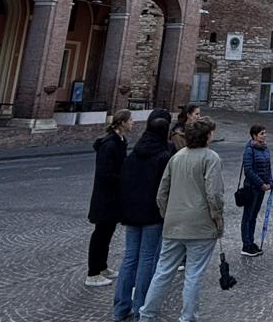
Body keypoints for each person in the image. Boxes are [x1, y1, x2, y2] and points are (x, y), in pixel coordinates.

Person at [137, 116, 224, 322]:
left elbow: (161, 193)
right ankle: (187, 318)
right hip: (201, 226)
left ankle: (146, 315)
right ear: (207, 135)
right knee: (193, 275)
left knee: (163, 272)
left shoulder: (176, 157)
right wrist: (217, 217)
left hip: (174, 224)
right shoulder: (210, 158)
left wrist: (168, 214)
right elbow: (214, 194)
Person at [113, 109, 173, 321]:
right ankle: (141, 308)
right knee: (147, 259)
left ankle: (120, 308)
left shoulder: (133, 153)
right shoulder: (164, 156)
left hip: (131, 214)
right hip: (152, 216)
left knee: (130, 257)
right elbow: (166, 189)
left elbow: (124, 182)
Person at [86, 109, 133, 287]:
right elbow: (105, 173)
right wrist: (125, 179)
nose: (132, 123)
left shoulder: (120, 141)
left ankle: (102, 266)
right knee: (100, 233)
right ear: (122, 123)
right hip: (105, 196)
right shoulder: (109, 145)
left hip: (114, 196)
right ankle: (92, 273)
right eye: (130, 120)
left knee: (107, 232)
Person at [240, 124, 273, 256]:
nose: (264, 136)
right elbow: (248, 170)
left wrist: (270, 181)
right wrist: (260, 183)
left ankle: (251, 242)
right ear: (254, 135)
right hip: (252, 188)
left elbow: (268, 167)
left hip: (262, 189)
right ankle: (246, 244)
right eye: (261, 133)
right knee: (247, 216)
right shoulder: (249, 150)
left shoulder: (265, 149)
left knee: (253, 216)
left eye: (265, 133)